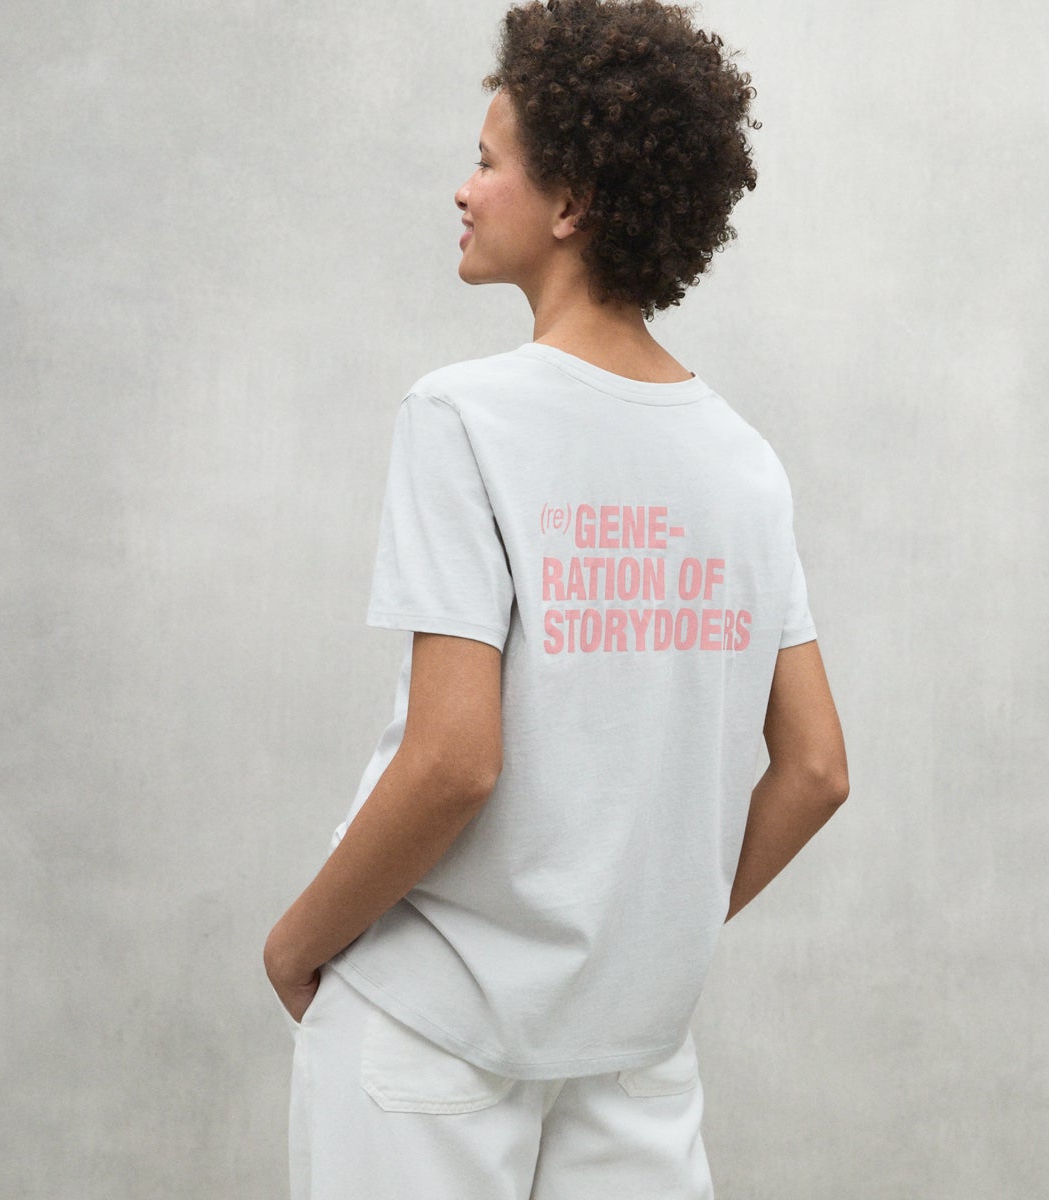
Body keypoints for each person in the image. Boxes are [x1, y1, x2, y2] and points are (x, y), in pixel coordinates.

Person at [261, 2, 849, 1196]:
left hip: (428, 1030)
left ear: (572, 202)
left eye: (488, 162)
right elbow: (816, 769)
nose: (463, 188)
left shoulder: (462, 418)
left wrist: (294, 944)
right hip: (632, 1050)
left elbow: (453, 762)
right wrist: (637, 941)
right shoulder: (743, 464)